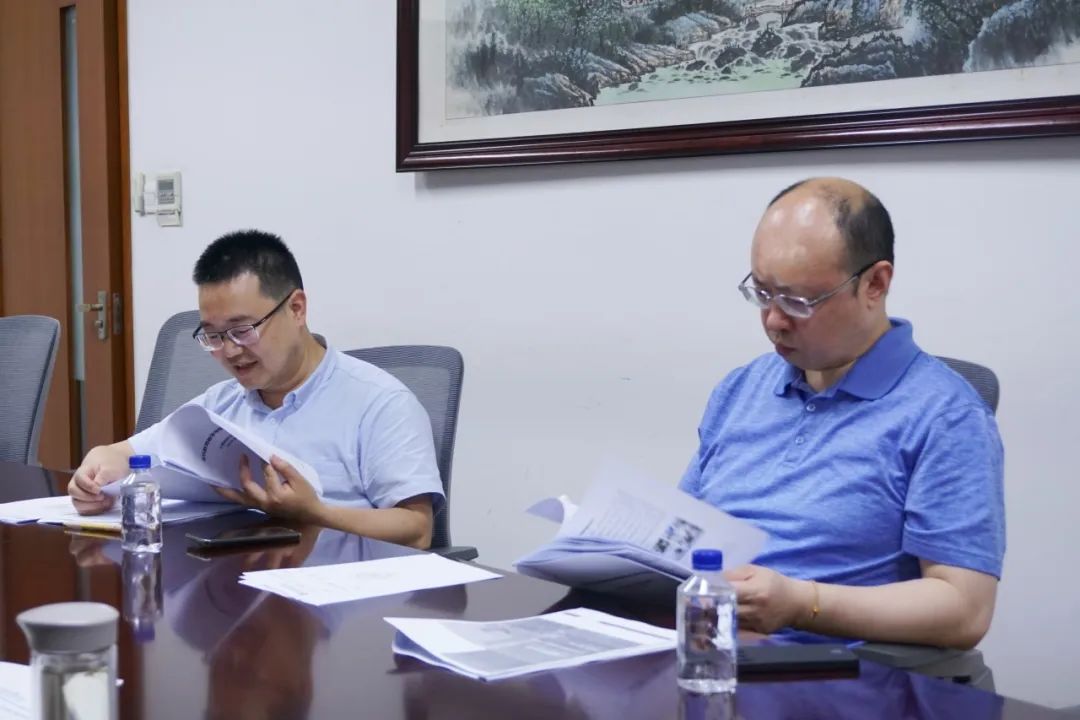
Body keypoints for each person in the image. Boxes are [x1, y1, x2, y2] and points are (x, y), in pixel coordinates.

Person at [679, 178, 1004, 649]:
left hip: (827, 672)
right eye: (763, 293)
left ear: (875, 284)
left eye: (797, 301)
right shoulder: (741, 389)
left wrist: (802, 602)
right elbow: (683, 535)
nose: (773, 320)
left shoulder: (945, 415)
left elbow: (965, 609)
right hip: (701, 652)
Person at [67, 230, 443, 548]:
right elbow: (123, 454)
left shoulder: (379, 402)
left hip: (340, 595)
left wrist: (316, 513)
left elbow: (417, 529)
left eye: (242, 330)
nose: (230, 351)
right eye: (213, 336)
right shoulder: (221, 405)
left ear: (296, 309)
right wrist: (94, 474)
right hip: (235, 586)